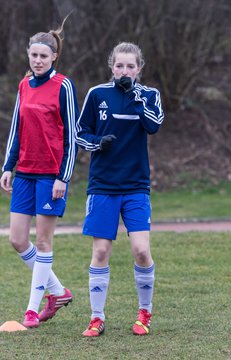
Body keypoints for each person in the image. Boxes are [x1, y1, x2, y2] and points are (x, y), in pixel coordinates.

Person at [75, 42, 164, 336]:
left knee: (140, 251)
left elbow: (154, 126)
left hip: (136, 186)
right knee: (100, 252)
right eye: (119, 66)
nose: (124, 71)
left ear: (139, 68)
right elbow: (79, 133)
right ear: (111, 66)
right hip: (103, 186)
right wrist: (97, 142)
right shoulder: (97, 94)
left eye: (130, 66)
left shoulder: (149, 95)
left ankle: (144, 312)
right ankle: (97, 317)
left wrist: (134, 97)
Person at [0, 18, 79, 328]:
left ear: (53, 57)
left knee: (44, 243)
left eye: (43, 56)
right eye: (33, 55)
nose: (37, 60)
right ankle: (58, 292)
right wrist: (8, 167)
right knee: (18, 240)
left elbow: (72, 136)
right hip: (25, 173)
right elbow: (16, 129)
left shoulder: (63, 86)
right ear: (28, 55)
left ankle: (32, 310)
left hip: (51, 176)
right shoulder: (23, 84)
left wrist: (64, 176)